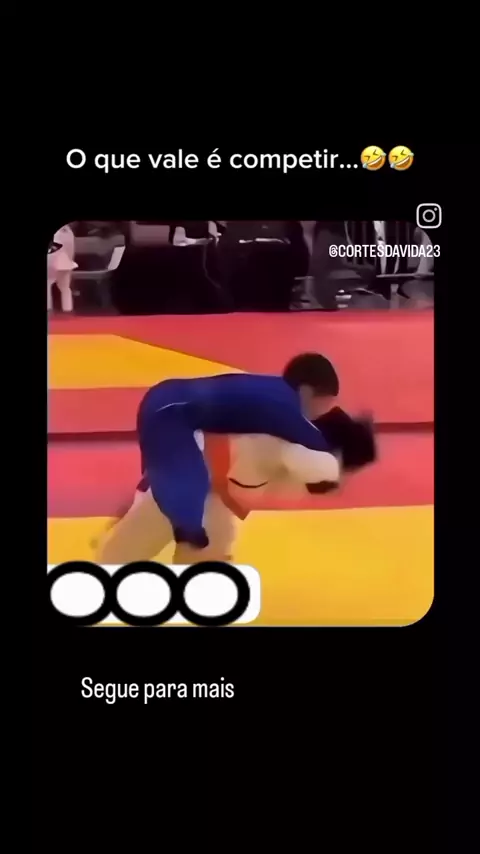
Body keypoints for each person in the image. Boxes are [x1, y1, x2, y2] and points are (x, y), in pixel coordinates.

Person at [94, 354, 376, 564]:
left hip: (208, 492)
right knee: (127, 553)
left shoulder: (278, 427)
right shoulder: (294, 447)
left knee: (178, 547)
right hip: (201, 488)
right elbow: (317, 464)